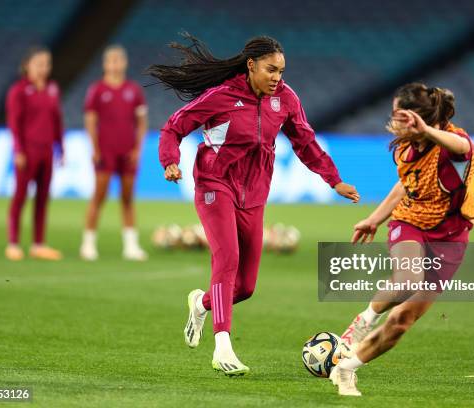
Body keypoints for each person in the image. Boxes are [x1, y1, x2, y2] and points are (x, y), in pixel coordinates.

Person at [148, 34, 359, 376]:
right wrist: (170, 161)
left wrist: (333, 179)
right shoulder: (221, 97)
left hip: (255, 195)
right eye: (271, 70)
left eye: (281, 71)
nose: (278, 77)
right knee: (226, 258)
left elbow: (305, 142)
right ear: (251, 66)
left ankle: (201, 304)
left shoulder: (286, 99)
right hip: (214, 185)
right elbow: (173, 127)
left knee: (245, 288)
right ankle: (222, 347)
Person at [333, 83, 474, 396]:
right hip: (410, 222)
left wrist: (427, 129)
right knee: (407, 279)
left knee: (402, 320)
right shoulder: (403, 147)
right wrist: (374, 219)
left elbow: (463, 147)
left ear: (417, 118)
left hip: (451, 238)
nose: (393, 121)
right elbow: (405, 185)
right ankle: (362, 321)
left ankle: (346, 369)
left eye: (399, 115)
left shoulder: (451, 145)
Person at [80, 45, 149, 261]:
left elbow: (142, 121)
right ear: (105, 64)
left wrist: (138, 148)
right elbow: (90, 120)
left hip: (128, 151)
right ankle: (88, 244)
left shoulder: (134, 90)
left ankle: (131, 246)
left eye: (118, 60)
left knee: (127, 199)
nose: (115, 64)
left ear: (124, 63)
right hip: (106, 151)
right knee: (99, 197)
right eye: (111, 61)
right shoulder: (97, 90)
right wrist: (94, 148)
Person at [5, 46, 64, 261]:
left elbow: (57, 120)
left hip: (47, 151)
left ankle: (38, 244)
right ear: (27, 66)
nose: (43, 68)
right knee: (20, 197)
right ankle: (13, 243)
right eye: (38, 64)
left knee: (42, 198)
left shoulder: (52, 89)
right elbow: (14, 123)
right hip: (28, 151)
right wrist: (18, 150)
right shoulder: (19, 91)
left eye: (46, 64)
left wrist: (62, 148)